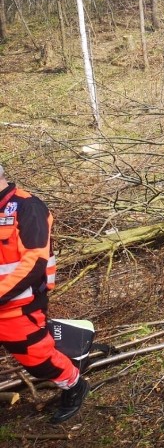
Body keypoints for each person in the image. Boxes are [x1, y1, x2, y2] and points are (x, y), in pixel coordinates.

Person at [0, 164, 89, 424]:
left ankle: (74, 385)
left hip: (19, 307)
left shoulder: (27, 207)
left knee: (38, 360)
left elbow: (34, 262)